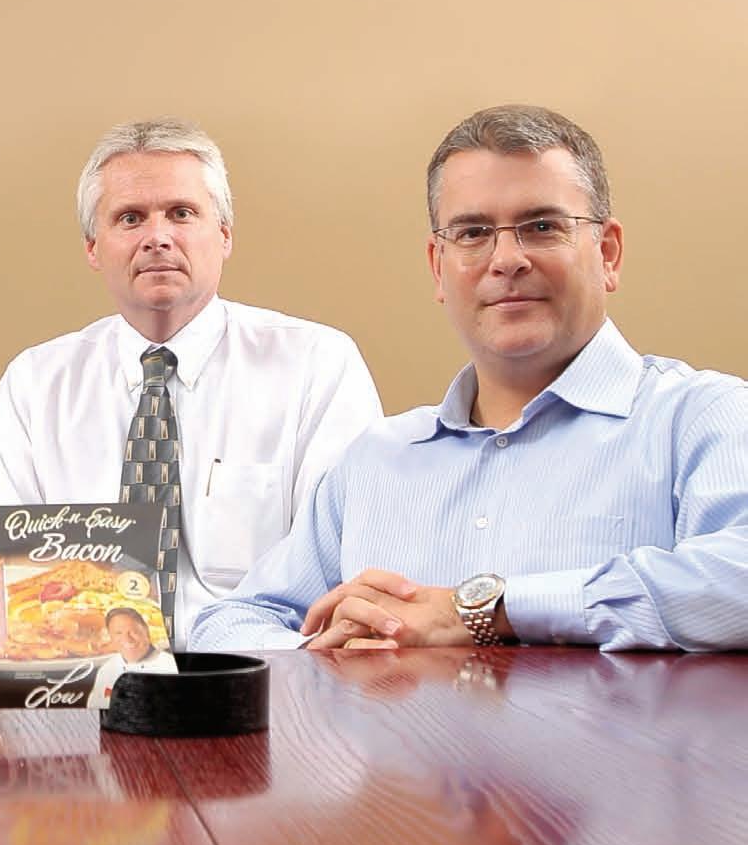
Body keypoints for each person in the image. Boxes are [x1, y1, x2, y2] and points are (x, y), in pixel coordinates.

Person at [191, 104, 748, 656]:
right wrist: (320, 654)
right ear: (438, 266)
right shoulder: (374, 462)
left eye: (542, 227)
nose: (506, 259)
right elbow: (230, 622)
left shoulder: (702, 419)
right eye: (473, 232)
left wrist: (482, 610)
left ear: (608, 253)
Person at [0, 118, 382, 644]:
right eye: (130, 218)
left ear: (224, 235)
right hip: (76, 676)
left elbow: (345, 569)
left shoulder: (317, 366)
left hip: (266, 672)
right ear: (93, 247)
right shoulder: (35, 386)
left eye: (181, 213)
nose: (157, 237)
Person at [85, 602, 179, 710]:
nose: (127, 639)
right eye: (118, 633)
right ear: (111, 637)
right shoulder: (106, 670)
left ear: (146, 631)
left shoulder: (170, 667)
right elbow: (95, 708)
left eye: (133, 632)